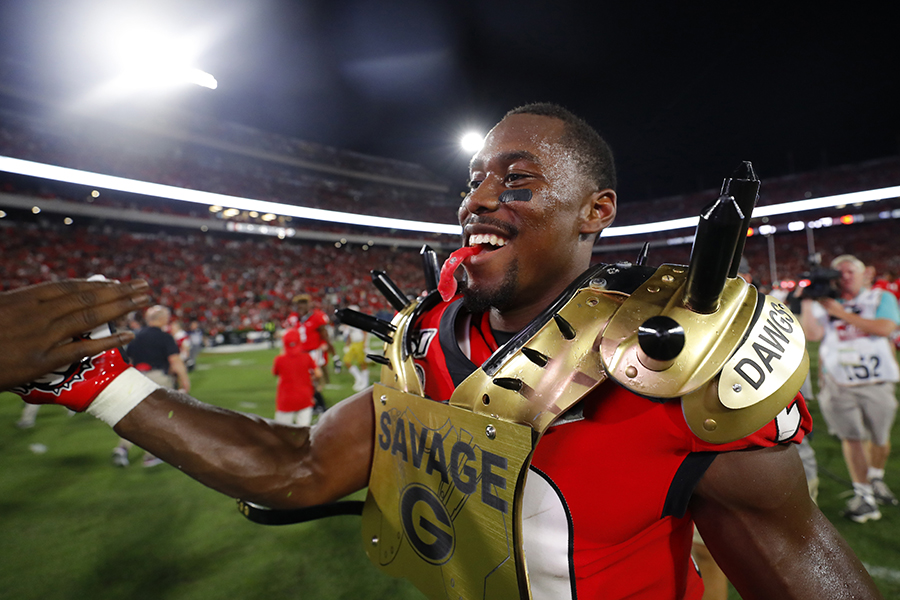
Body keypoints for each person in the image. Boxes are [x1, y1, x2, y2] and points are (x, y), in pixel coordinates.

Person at [8, 104, 883, 600]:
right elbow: (300, 469)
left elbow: (794, 557)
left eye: (519, 181)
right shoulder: (428, 338)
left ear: (596, 212)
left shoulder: (675, 365)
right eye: (473, 183)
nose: (478, 201)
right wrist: (93, 376)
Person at [799, 254, 900, 523]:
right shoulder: (825, 301)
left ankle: (875, 477)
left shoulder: (880, 298)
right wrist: (809, 301)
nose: (844, 276)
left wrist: (840, 313)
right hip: (838, 382)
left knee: (879, 438)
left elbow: (885, 328)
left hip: (876, 380)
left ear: (863, 273)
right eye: (839, 272)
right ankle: (864, 493)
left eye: (849, 271)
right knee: (852, 437)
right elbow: (812, 335)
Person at [111, 305, 191, 467]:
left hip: (137, 378)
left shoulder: (137, 336)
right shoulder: (165, 337)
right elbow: (175, 361)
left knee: (136, 416)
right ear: (163, 319)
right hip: (158, 378)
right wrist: (185, 380)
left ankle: (123, 448)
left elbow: (129, 361)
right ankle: (151, 455)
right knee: (158, 418)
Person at [286, 293, 335, 413]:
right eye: (299, 303)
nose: (301, 306)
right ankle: (315, 404)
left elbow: (325, 335)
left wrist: (333, 353)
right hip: (300, 353)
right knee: (305, 380)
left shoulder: (317, 316)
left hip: (313, 352)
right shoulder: (294, 318)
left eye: (304, 303)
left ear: (309, 304)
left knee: (311, 379)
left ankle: (320, 405)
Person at [272, 328, 322, 426]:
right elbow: (318, 373)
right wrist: (312, 381)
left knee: (282, 432)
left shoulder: (279, 360)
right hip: (305, 397)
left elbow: (275, 373)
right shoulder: (307, 357)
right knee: (303, 431)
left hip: (286, 400)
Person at [340, 306, 370, 392]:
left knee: (362, 363)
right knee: (347, 361)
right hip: (353, 344)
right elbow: (349, 335)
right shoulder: (350, 322)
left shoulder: (359, 321)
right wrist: (347, 345)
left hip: (360, 343)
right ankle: (359, 378)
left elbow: (365, 333)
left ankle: (365, 382)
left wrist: (365, 345)